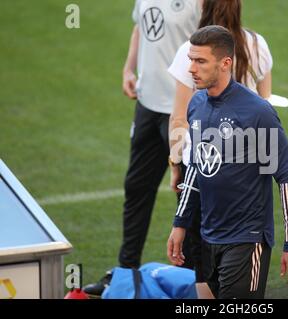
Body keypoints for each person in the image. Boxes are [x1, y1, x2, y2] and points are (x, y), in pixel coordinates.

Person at [167, 25, 288, 299]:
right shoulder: (197, 105)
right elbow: (196, 168)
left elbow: (286, 177)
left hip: (247, 238)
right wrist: (180, 223)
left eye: (200, 61)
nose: (191, 68)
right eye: (190, 60)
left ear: (225, 63)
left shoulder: (256, 112)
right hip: (208, 235)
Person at [82, 0, 202, 297]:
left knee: (188, 199)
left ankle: (192, 283)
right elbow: (141, 27)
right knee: (136, 187)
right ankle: (125, 274)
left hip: (182, 110)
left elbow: (210, 49)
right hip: (147, 106)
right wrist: (128, 68)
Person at [166, 0, 273, 283]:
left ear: (204, 6)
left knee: (201, 264)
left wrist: (175, 164)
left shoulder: (190, 51)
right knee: (239, 261)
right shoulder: (257, 44)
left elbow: (179, 119)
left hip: (202, 171)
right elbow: (266, 107)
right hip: (245, 175)